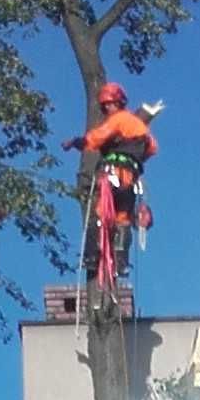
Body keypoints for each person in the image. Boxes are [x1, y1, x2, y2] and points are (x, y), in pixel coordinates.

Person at [65, 81, 158, 286]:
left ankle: (91, 256)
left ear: (116, 103)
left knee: (100, 213)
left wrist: (76, 142)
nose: (107, 108)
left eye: (109, 104)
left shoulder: (118, 120)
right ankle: (121, 263)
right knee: (122, 218)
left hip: (114, 175)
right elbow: (151, 149)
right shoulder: (142, 128)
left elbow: (96, 138)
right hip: (130, 180)